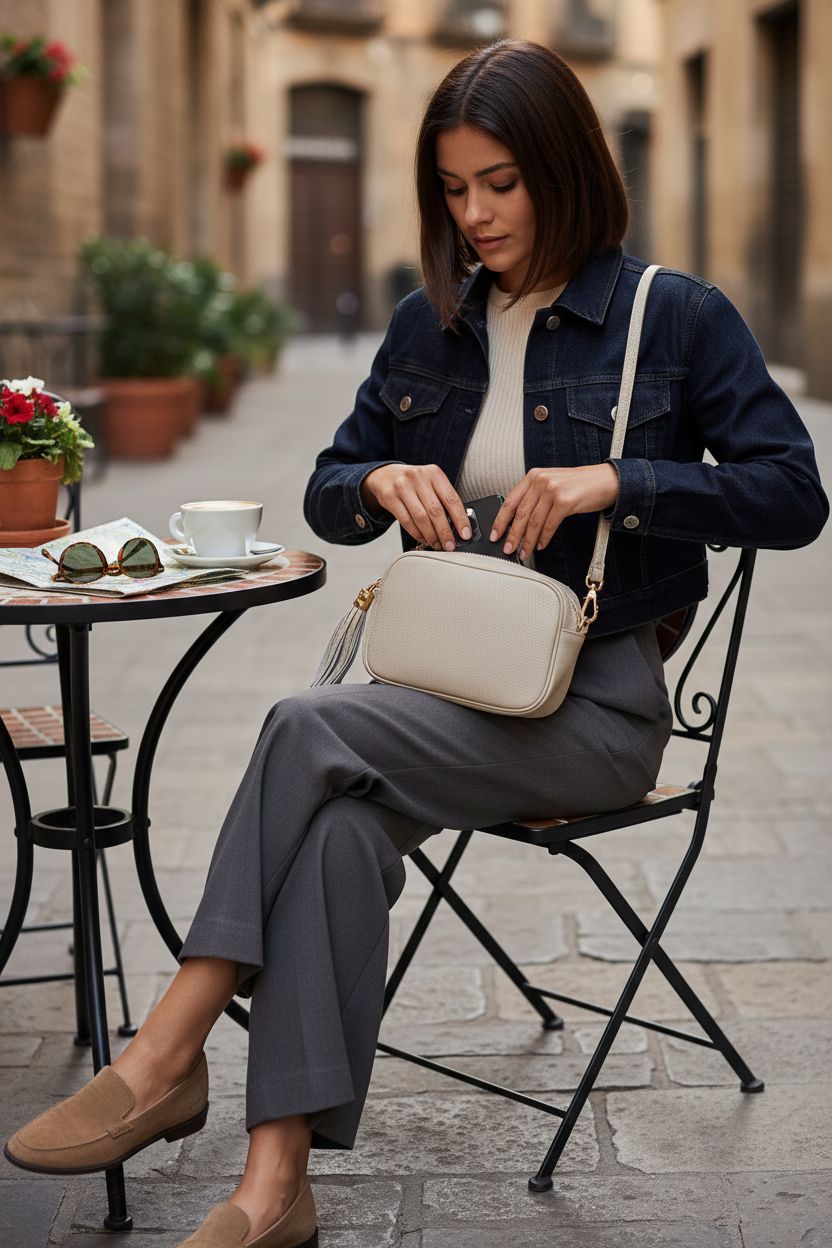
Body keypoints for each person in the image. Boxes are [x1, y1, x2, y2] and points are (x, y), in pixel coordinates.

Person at [4, 38, 827, 1248]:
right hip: (445, 694)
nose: (475, 214)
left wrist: (619, 480)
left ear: (563, 169)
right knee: (333, 832)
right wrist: (383, 476)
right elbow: (330, 491)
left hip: (591, 713)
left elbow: (794, 495)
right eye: (452, 189)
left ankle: (168, 1048)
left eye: (500, 181)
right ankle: (273, 1190)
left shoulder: (674, 318)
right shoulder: (427, 325)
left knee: (302, 724)